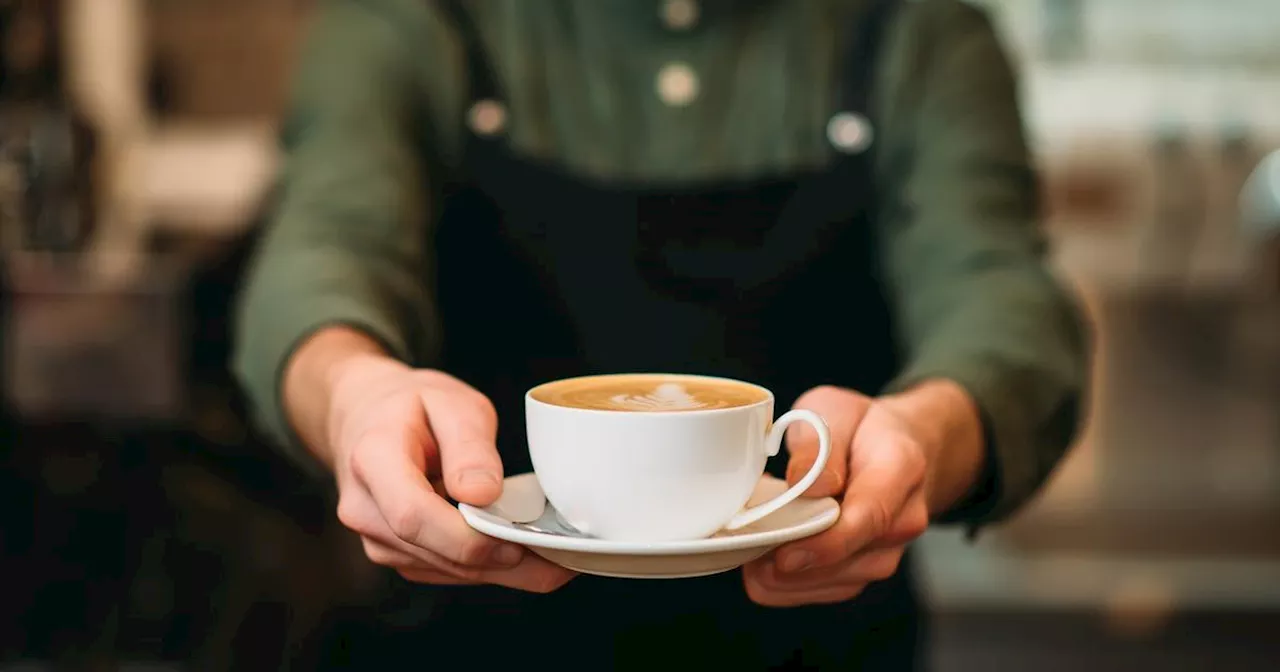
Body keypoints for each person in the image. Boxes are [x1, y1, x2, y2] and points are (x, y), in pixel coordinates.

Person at [233, 0, 1089, 669]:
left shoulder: (922, 32)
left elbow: (1000, 291)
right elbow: (323, 249)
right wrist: (356, 396)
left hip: (821, 636)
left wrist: (926, 436)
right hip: (462, 637)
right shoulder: (409, 22)